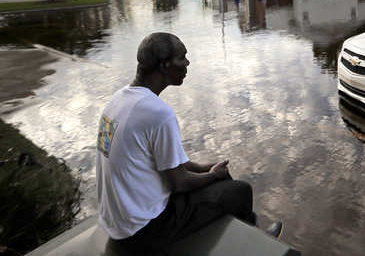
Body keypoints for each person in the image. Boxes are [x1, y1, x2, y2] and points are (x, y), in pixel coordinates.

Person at [96, 33, 281, 254]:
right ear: (165, 66)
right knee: (240, 191)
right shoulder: (158, 113)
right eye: (182, 58)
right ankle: (257, 244)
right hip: (145, 231)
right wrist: (212, 175)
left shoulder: (117, 102)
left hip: (117, 224)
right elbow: (178, 183)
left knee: (219, 180)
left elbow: (169, 164)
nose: (187, 63)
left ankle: (245, 231)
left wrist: (205, 168)